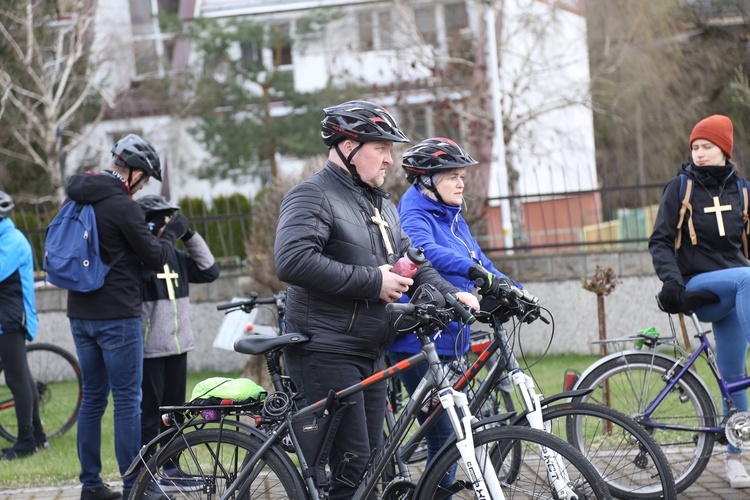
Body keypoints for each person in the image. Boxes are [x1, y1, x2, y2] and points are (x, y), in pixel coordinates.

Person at [274, 100, 479, 499]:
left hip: (370, 349)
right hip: (324, 349)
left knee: (369, 469)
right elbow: (292, 261)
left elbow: (413, 264)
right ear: (348, 146)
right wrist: (372, 282)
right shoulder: (311, 195)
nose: (390, 159)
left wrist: (453, 295)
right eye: (381, 148)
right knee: (352, 473)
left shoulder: (381, 203)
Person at [388, 137, 521, 482]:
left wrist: (515, 290)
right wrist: (473, 272)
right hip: (418, 339)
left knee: (450, 432)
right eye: (451, 177)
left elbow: (480, 259)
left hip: (451, 334)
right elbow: (426, 251)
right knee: (445, 435)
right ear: (426, 181)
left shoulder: (452, 216)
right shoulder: (413, 214)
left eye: (462, 176)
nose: (461, 183)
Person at [64, 134, 189, 500]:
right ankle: (137, 486)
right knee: (127, 402)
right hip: (117, 315)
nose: (143, 186)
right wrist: (170, 236)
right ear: (132, 172)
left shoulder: (76, 196)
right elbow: (154, 257)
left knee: (92, 400)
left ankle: (91, 486)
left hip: (80, 313)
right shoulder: (122, 205)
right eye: (145, 178)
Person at [649, 114, 750, 489]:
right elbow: (659, 241)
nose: (700, 153)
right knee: (747, 276)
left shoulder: (742, 191)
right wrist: (672, 283)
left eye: (707, 146)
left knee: (735, 378)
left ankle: (735, 459)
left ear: (724, 149)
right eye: (695, 147)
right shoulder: (680, 188)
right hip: (701, 288)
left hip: (739, 293)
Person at [136, 195, 219, 476]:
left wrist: (190, 235)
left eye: (173, 219)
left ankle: (171, 469)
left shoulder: (177, 258)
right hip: (150, 350)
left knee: (174, 415)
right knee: (150, 415)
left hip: (178, 346)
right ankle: (147, 474)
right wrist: (165, 237)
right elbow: (146, 271)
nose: (170, 224)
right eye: (164, 219)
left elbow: (210, 270)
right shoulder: (141, 259)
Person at [0, 191, 46, 461]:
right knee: (23, 378)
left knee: (17, 380)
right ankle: (37, 436)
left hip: (12, 317)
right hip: (7, 315)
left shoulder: (12, 241)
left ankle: (26, 441)